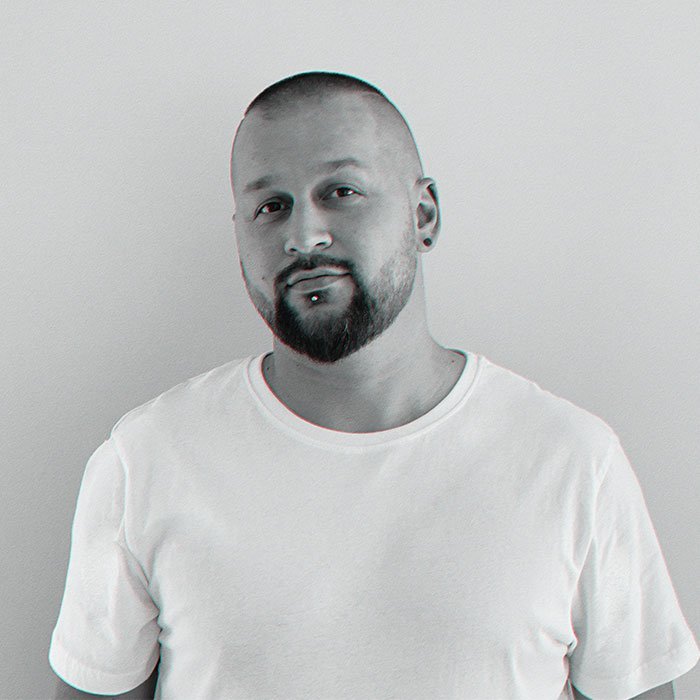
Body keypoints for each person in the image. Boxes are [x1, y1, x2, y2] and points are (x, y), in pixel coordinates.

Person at [50, 71, 698, 700]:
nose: (304, 236)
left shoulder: (571, 460)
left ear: (424, 215)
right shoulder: (147, 459)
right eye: (271, 207)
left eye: (341, 191)